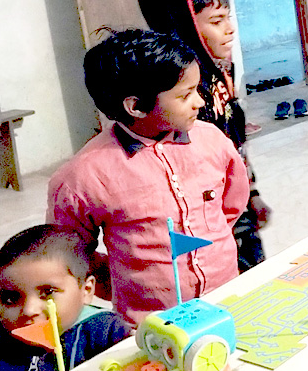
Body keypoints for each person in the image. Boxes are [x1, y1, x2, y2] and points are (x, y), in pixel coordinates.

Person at [48, 29, 249, 326]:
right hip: (149, 326)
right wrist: (126, 282)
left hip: (229, 303)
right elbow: (70, 254)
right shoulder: (82, 177)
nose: (200, 103)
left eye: (197, 90)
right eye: (185, 95)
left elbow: (231, 206)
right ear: (136, 106)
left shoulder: (212, 141)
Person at [138, 0, 270, 272]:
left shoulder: (221, 73)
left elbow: (234, 147)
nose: (230, 30)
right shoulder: (175, 95)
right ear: (184, 28)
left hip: (236, 205)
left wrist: (252, 195)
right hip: (203, 216)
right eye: (216, 21)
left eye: (228, 18)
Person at [0, 224, 131, 371]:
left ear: (86, 290)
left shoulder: (107, 332)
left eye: (48, 292)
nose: (29, 310)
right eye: (10, 298)